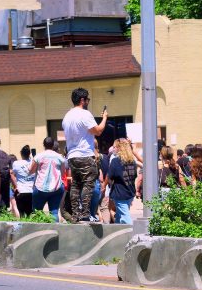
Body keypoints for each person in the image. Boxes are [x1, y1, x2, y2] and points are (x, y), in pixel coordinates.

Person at [62, 88, 108, 223]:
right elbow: (98, 131)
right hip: (85, 155)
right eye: (87, 99)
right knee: (88, 184)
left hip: (72, 156)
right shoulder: (84, 114)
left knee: (75, 185)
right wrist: (104, 118)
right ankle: (85, 213)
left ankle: (75, 214)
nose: (88, 102)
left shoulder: (67, 116)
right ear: (82, 100)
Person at [30, 137, 67, 222]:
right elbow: (62, 173)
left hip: (40, 187)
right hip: (56, 187)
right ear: (53, 145)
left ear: (44, 145)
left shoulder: (39, 156)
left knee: (37, 211)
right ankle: (55, 228)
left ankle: (38, 228)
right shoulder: (59, 157)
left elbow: (31, 170)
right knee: (54, 211)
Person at [108, 139, 142, 225]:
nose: (113, 149)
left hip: (119, 193)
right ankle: (117, 230)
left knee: (125, 217)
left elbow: (110, 176)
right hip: (130, 192)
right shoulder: (132, 161)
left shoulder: (115, 161)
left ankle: (132, 232)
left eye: (114, 147)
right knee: (119, 216)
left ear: (120, 148)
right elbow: (134, 176)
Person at [11, 145, 35, 217]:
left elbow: (12, 174)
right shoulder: (33, 162)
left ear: (21, 154)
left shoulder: (16, 163)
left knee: (21, 213)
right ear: (29, 154)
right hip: (31, 191)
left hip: (21, 190)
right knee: (30, 213)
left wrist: (15, 186)